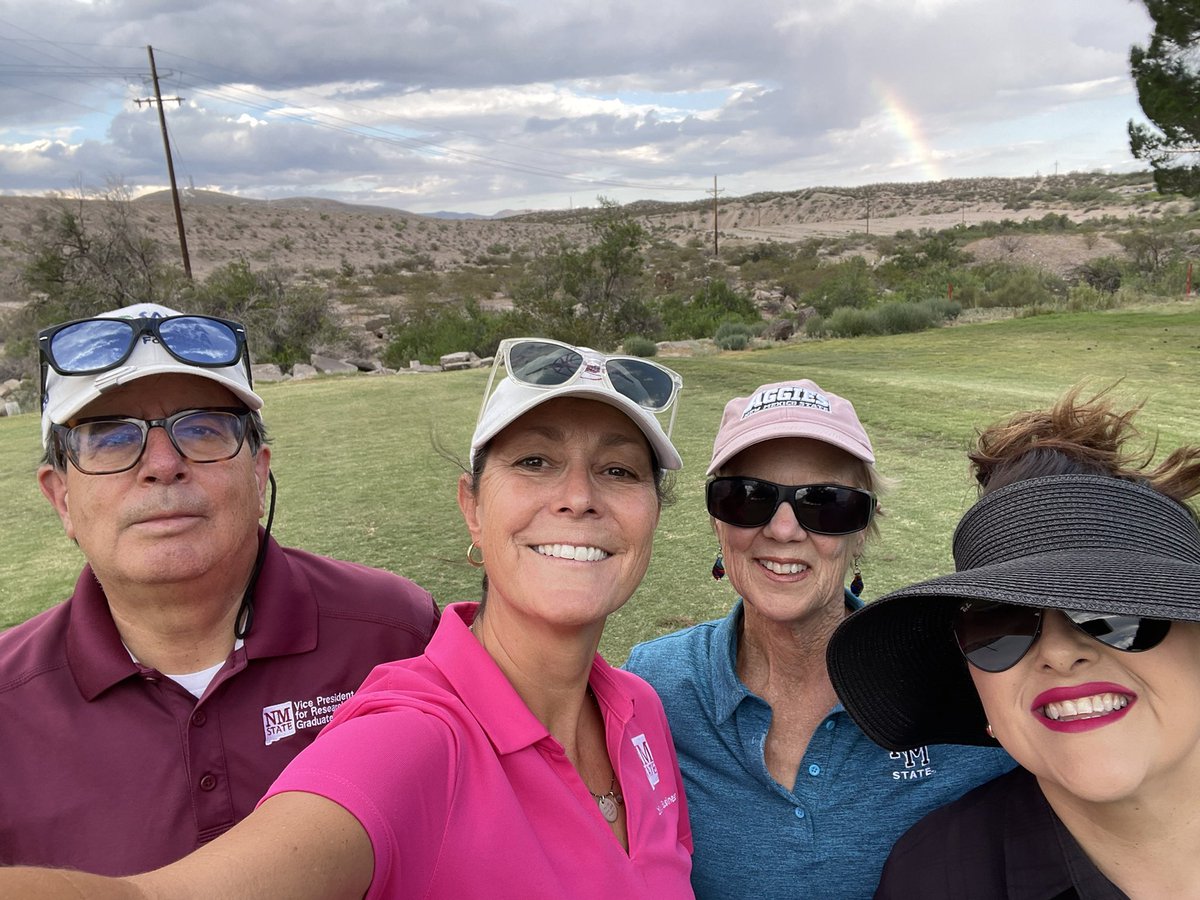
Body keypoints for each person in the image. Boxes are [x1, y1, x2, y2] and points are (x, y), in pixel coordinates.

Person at [1, 336, 694, 898]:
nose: (578, 497)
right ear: (472, 509)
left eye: (622, 471)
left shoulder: (637, 709)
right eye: (536, 461)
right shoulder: (416, 735)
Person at [2, 302, 440, 875]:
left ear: (258, 475)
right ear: (62, 497)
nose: (162, 464)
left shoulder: (398, 633)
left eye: (202, 429)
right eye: (109, 439)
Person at [626, 379, 1014, 899]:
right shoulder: (652, 687)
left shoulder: (962, 688)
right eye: (748, 498)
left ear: (863, 530)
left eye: (826, 504)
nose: (784, 530)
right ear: (718, 522)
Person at [827, 388, 1200, 898]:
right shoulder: (934, 880)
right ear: (984, 699)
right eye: (996, 625)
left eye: (1110, 609)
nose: (1058, 652)